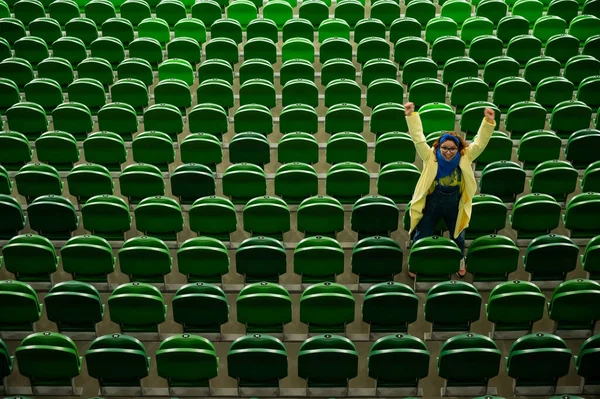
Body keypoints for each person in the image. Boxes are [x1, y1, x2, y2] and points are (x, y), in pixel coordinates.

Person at [404, 102, 496, 277]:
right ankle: (415, 261)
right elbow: (418, 138)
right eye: (444, 148)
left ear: (459, 148)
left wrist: (488, 122)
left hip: (454, 202)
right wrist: (410, 116)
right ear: (438, 147)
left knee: (458, 236)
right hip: (433, 201)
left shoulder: (465, 156)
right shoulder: (430, 155)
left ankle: (460, 259)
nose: (448, 152)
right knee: (422, 233)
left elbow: (480, 143)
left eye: (452, 148)